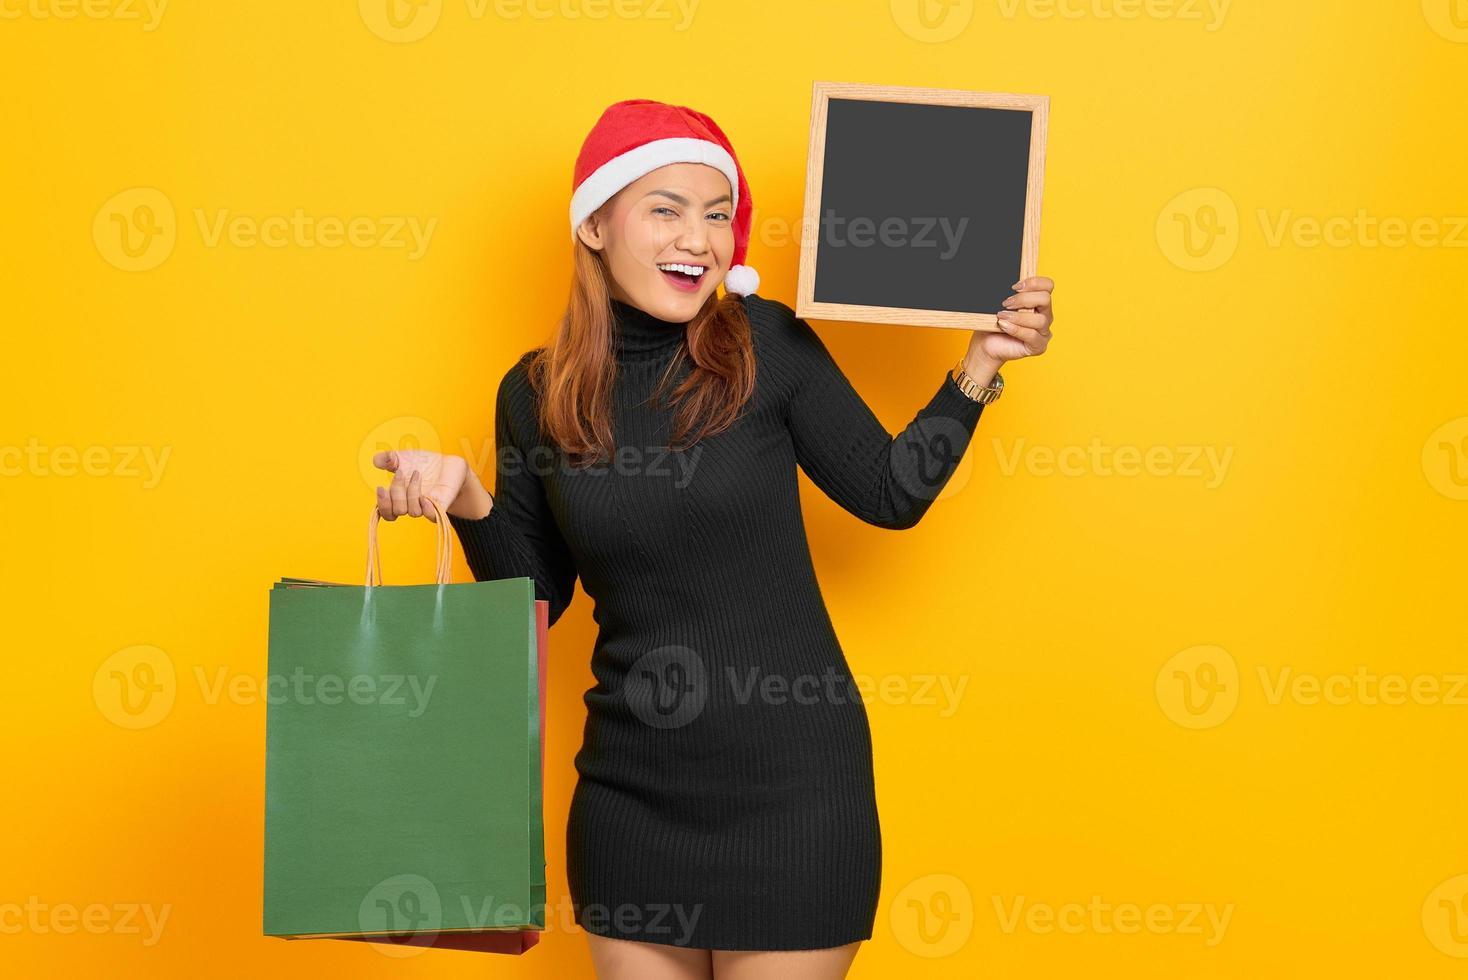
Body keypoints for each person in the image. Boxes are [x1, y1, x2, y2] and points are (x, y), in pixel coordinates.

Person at [371, 98, 1055, 980]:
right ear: (594, 224)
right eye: (665, 209)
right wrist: (468, 503)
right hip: (631, 799)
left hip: (794, 796)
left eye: (717, 213)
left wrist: (981, 365)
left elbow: (891, 493)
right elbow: (535, 606)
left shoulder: (767, 347)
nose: (699, 238)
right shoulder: (535, 392)